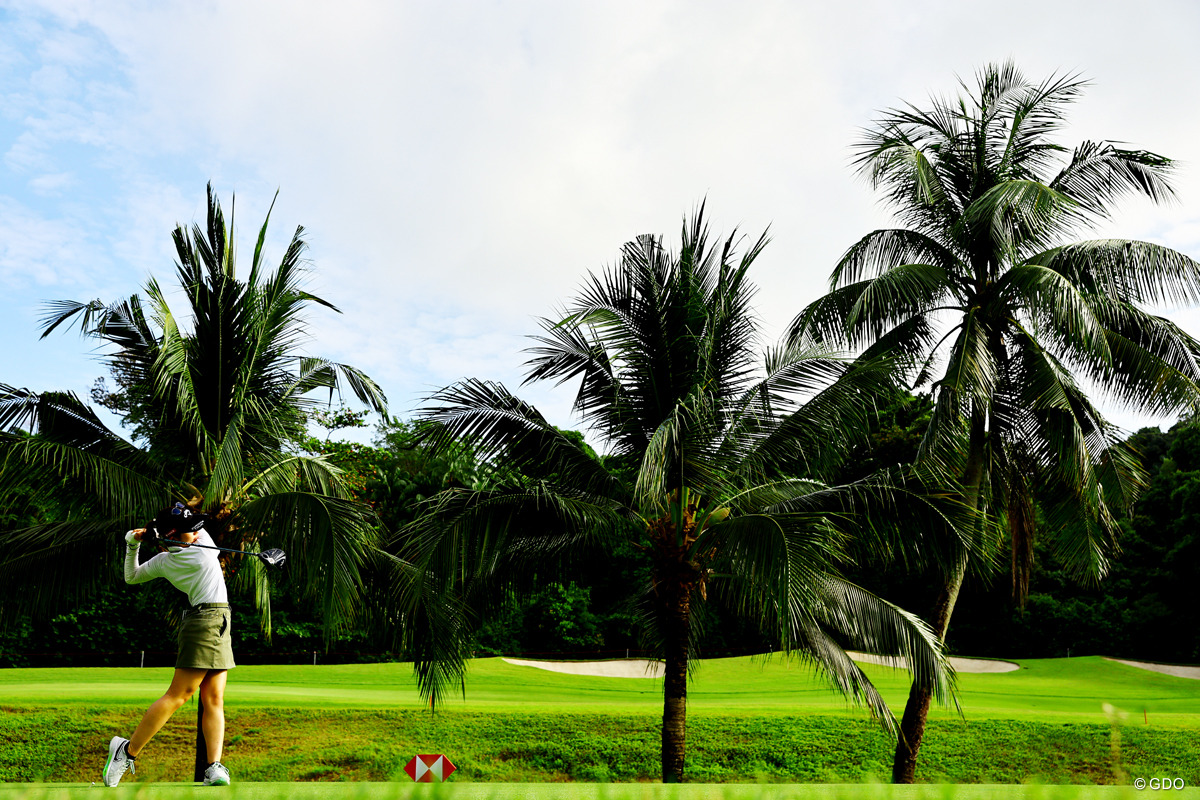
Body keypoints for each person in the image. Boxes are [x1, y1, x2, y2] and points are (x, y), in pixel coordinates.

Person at [102, 502, 234, 788]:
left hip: (220, 619)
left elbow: (131, 574)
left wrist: (132, 543)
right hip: (204, 622)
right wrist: (147, 535)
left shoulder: (170, 557)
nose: (197, 532)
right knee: (180, 695)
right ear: (173, 537)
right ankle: (127, 752)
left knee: (214, 697)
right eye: (189, 530)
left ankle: (213, 766)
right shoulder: (201, 549)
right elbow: (132, 578)